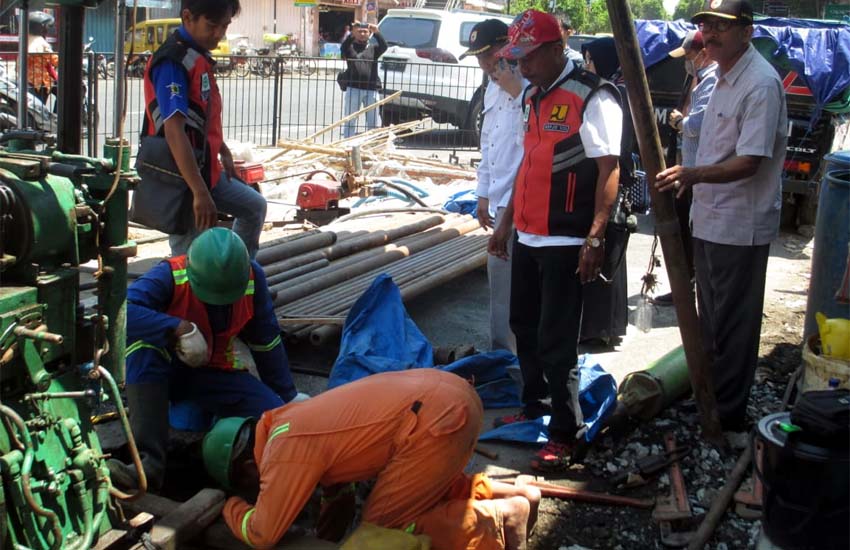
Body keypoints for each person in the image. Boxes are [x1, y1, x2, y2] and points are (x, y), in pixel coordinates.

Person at [488, 10, 621, 470]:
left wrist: (595, 236)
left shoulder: (592, 96)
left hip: (566, 239)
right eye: (516, 58)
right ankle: (535, 404)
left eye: (528, 57)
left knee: (557, 340)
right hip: (527, 234)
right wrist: (505, 221)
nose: (521, 66)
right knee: (523, 326)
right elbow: (529, 162)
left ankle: (568, 433)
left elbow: (610, 169)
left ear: (555, 48)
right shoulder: (532, 96)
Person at [206, 369, 541, 549]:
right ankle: (519, 496)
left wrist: (229, 506)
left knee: (385, 532)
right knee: (419, 491)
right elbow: (339, 492)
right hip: (449, 397)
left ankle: (501, 518)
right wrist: (328, 536)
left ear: (246, 467)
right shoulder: (287, 422)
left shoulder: (283, 453)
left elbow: (263, 535)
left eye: (248, 485)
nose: (257, 491)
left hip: (434, 421)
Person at [656, 0, 787, 436]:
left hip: (740, 224)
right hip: (709, 217)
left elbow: (749, 161)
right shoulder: (720, 77)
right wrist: (689, 180)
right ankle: (709, 403)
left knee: (733, 326)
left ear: (747, 31)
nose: (709, 35)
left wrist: (693, 174)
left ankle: (726, 417)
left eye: (720, 28)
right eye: (706, 27)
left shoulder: (760, 84)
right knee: (710, 320)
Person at [108, 228, 301, 491]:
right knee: (142, 348)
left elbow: (265, 341)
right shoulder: (169, 274)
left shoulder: (253, 277)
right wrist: (176, 328)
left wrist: (287, 398)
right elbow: (122, 313)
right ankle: (148, 466)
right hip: (166, 370)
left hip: (214, 370)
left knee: (273, 418)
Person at [142, 0, 267, 258]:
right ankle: (196, 293)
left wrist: (222, 149)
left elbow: (199, 116)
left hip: (205, 171)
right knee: (190, 257)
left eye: (225, 26)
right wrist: (199, 192)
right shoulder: (173, 63)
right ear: (188, 17)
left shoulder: (196, 56)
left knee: (254, 206)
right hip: (182, 181)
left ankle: (238, 273)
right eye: (212, 26)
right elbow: (174, 131)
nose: (219, 34)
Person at [462, 19, 526, 354]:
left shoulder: (527, 84)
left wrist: (518, 92)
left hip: (524, 203)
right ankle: (503, 358)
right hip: (500, 198)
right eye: (479, 58)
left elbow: (534, 149)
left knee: (519, 291)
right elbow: (488, 142)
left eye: (488, 56)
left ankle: (514, 362)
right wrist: (483, 193)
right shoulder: (490, 87)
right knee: (500, 288)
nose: (485, 65)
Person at [578, 37, 637, 347]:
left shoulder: (613, 94)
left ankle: (604, 328)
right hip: (607, 179)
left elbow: (615, 153)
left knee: (604, 253)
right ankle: (600, 327)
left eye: (591, 60)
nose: (587, 65)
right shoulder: (605, 89)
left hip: (613, 181)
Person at [654, 30, 718, 305]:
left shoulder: (712, 81)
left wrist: (679, 122)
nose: (686, 62)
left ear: (703, 53)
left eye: (689, 56)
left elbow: (698, 126)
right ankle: (684, 286)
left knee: (691, 236)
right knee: (683, 232)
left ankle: (692, 290)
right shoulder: (696, 79)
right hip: (686, 167)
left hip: (697, 171)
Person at [341, 22, 387, 138]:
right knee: (350, 120)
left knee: (372, 123)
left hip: (371, 90)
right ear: (355, 33)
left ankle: (371, 144)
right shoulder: (350, 48)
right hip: (353, 89)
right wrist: (351, 34)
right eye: (359, 31)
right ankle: (347, 145)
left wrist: (376, 32)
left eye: (365, 31)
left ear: (369, 34)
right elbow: (343, 47)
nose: (362, 34)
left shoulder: (374, 49)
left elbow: (384, 46)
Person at [27, 11, 58, 105]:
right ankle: (59, 117)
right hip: (40, 80)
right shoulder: (41, 42)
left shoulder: (27, 39)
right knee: (64, 92)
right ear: (39, 27)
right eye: (45, 27)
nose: (46, 30)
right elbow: (55, 60)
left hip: (28, 78)